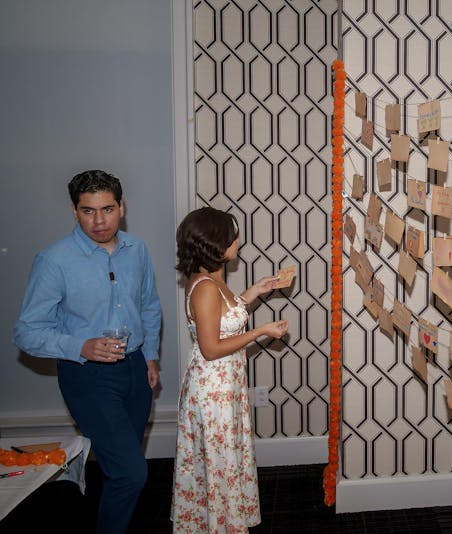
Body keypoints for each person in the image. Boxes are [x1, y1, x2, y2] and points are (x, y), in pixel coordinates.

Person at [13, 170, 162, 533]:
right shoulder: (54, 260)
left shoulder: (137, 250)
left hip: (135, 371)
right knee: (131, 473)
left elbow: (149, 306)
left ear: (122, 207)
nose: (99, 221)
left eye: (107, 209)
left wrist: (150, 356)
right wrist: (81, 345)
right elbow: (26, 332)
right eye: (88, 211)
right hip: (86, 377)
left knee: (119, 470)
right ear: (74, 211)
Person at [171, 207, 289, 533]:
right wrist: (260, 331)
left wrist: (255, 292)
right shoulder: (206, 287)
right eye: (232, 236)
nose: (238, 241)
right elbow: (210, 348)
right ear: (215, 244)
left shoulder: (213, 279)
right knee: (219, 459)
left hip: (225, 386)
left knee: (224, 458)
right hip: (213, 391)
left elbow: (225, 316)